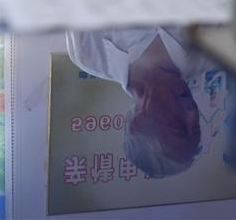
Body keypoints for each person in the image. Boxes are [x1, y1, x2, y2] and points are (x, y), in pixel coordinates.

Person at [66, 27, 208, 178]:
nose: (191, 112)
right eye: (196, 126)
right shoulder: (209, 54)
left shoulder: (89, 54)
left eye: (177, 125)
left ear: (139, 122)